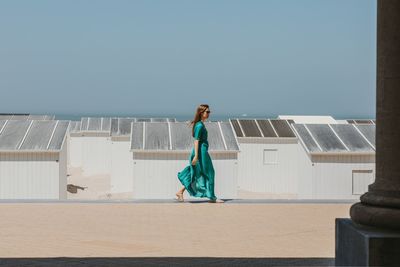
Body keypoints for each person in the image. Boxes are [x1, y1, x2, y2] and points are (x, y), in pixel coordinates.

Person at [176, 104, 224, 203]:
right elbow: (196, 141)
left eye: (209, 112)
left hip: (202, 152)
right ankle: (212, 198)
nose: (209, 113)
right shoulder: (199, 125)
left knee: (196, 172)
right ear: (201, 113)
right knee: (210, 173)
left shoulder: (200, 124)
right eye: (207, 112)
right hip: (201, 153)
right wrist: (197, 156)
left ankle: (180, 192)